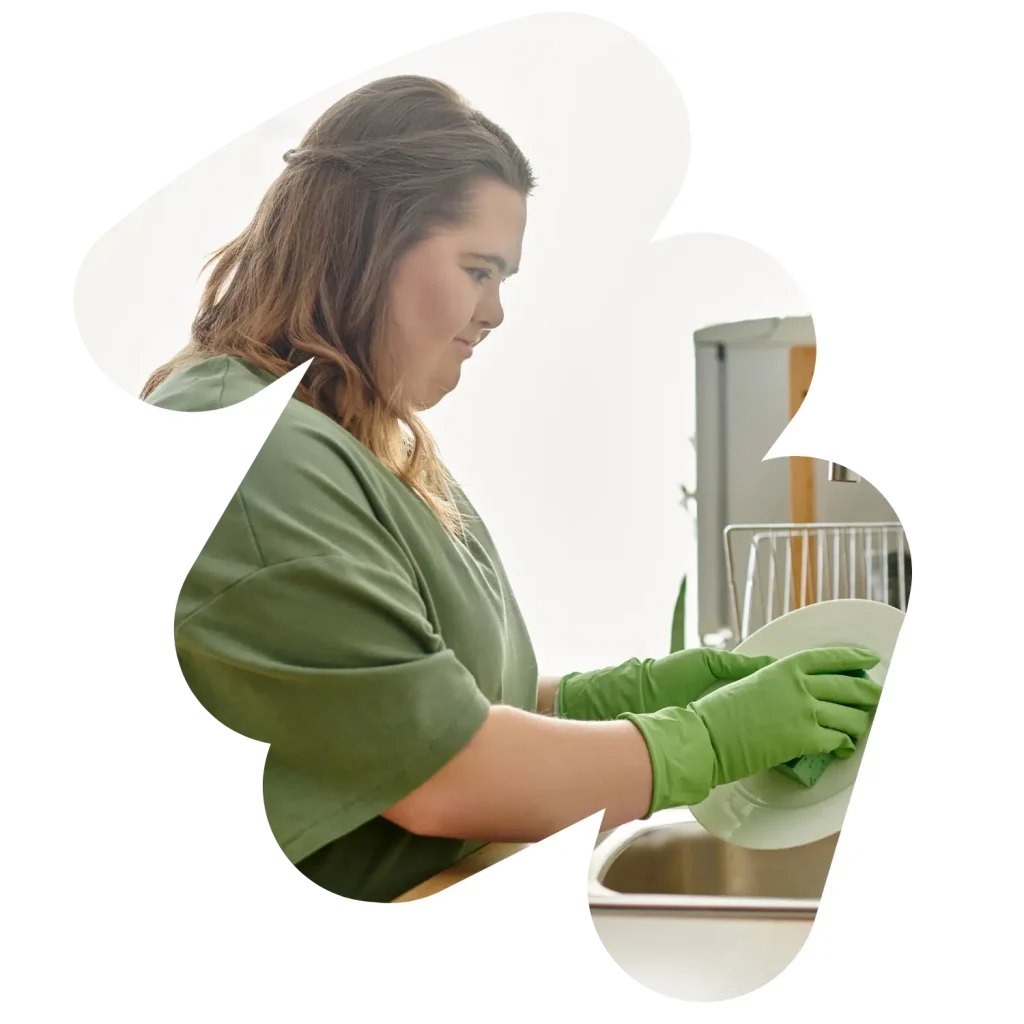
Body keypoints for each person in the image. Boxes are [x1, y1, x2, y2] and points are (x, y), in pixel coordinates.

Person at [143, 75, 883, 903]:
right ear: (367, 244)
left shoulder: (359, 442)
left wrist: (652, 690)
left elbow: (443, 698)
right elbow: (442, 772)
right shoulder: (254, 449)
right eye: (477, 269)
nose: (494, 312)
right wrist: (707, 741)